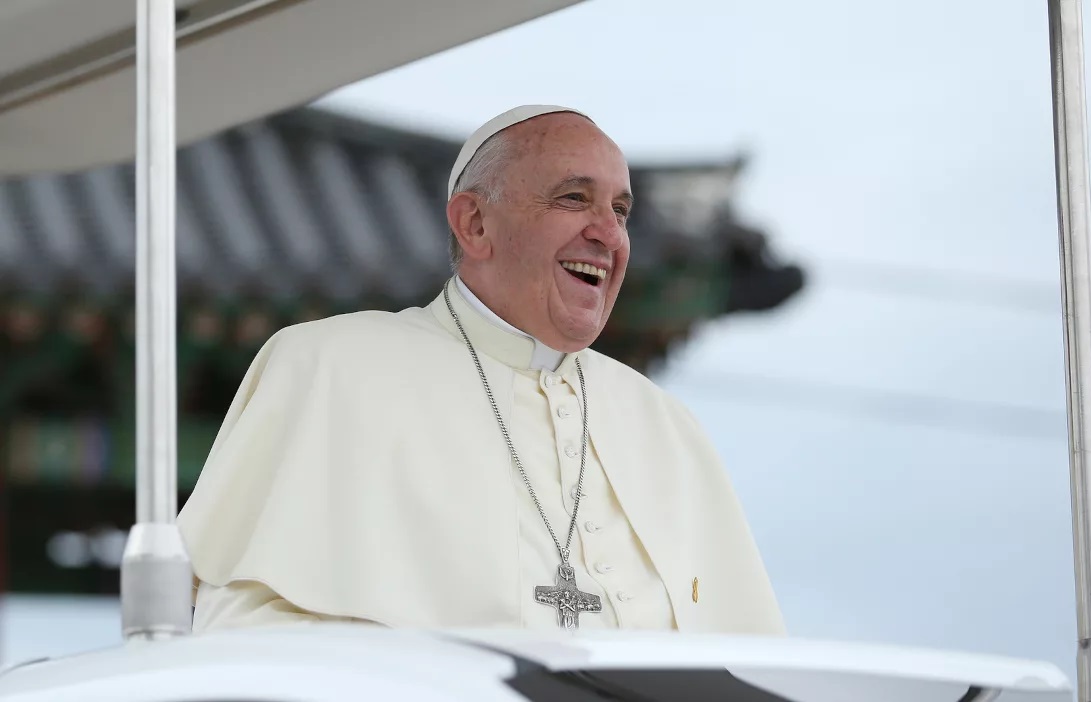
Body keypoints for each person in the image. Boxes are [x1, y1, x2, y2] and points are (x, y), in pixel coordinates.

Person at [177, 105, 785, 635]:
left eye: (620, 211)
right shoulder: (330, 367)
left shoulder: (667, 427)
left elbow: (744, 662)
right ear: (474, 224)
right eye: (573, 199)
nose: (609, 235)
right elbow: (243, 638)